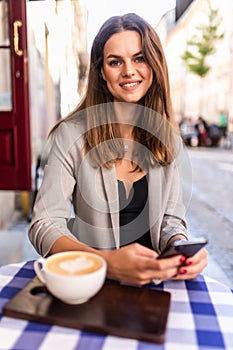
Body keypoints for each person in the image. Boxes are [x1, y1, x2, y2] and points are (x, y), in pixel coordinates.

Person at [28, 13, 207, 285]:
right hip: (92, 282)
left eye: (139, 58)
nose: (129, 71)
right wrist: (106, 263)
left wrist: (181, 247)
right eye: (115, 62)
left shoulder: (169, 137)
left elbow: (171, 219)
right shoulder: (72, 134)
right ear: (101, 71)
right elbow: (45, 223)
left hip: (155, 283)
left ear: (154, 65)